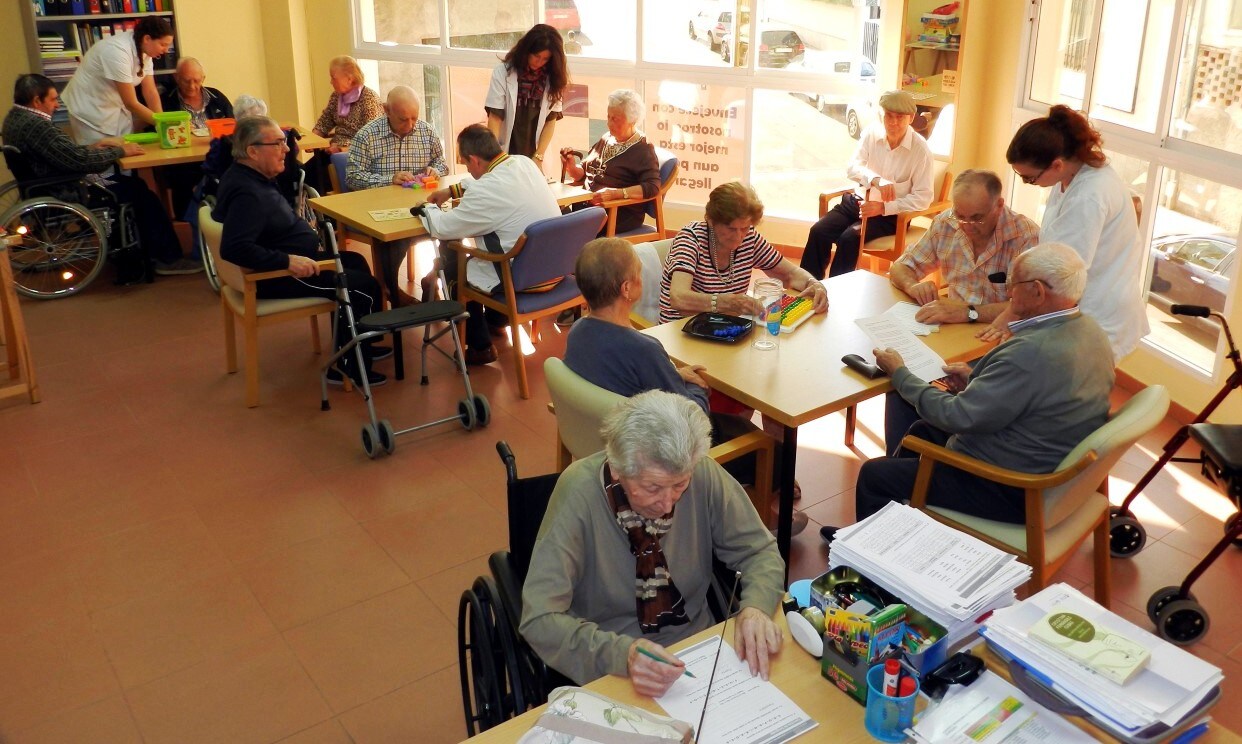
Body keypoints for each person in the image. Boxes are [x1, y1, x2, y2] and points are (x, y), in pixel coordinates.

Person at [831, 243, 1114, 541]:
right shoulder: (1090, 331)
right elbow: (1035, 393)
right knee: (920, 433)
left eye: (1014, 285)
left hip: (1010, 486)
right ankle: (898, 534)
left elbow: (956, 416)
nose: (1008, 293)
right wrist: (977, 380)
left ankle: (871, 562)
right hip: (1045, 463)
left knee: (876, 477)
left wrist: (900, 373)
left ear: (1038, 291)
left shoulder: (1030, 352)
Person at [519, 390, 785, 696]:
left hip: (699, 649)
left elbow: (759, 550)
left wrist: (755, 608)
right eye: (653, 487)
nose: (669, 504)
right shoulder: (578, 495)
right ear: (617, 469)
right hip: (610, 663)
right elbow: (539, 618)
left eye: (679, 485)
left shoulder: (701, 472)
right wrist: (622, 656)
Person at [565, 238, 805, 534]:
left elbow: (629, 372)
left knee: (735, 424)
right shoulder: (644, 348)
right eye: (639, 273)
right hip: (661, 450)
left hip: (610, 434)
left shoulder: (578, 332)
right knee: (773, 451)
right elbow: (695, 420)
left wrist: (674, 374)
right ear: (627, 289)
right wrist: (698, 387)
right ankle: (755, 524)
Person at [870, 169, 1041, 472]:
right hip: (948, 334)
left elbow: (1024, 307)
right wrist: (914, 285)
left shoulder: (1026, 236)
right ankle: (901, 468)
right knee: (903, 379)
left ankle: (941, 467)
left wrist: (967, 311)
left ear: (999, 206)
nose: (967, 227)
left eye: (976, 218)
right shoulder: (947, 224)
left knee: (945, 388)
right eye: (960, 215)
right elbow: (901, 268)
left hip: (999, 342)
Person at [212, 116, 388, 387]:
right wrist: (287, 260)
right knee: (361, 287)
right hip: (279, 274)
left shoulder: (248, 176)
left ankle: (359, 342)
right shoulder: (247, 193)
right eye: (278, 143)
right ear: (252, 151)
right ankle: (346, 367)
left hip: (288, 263)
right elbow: (234, 247)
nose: (286, 149)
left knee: (355, 261)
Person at [993, 104, 1149, 361]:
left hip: (1101, 312)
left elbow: (1062, 271)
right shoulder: (1069, 176)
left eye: (1029, 178)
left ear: (1056, 164)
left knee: (1074, 390)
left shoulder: (1089, 195)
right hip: (1085, 306)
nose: (1029, 183)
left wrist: (1012, 313)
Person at [2, 73, 195, 279]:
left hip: (47, 182)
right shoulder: (37, 126)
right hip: (66, 188)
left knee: (133, 185)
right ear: (36, 101)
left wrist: (94, 147)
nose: (57, 105)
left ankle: (149, 249)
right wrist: (120, 152)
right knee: (140, 193)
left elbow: (62, 154)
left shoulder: (15, 118)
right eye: (52, 100)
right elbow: (79, 161)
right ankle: (168, 258)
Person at [414, 124, 560, 365]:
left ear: (474, 160)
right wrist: (453, 189)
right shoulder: (525, 163)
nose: (468, 171)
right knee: (483, 257)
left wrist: (424, 207)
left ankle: (479, 345)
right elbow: (487, 178)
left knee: (452, 255)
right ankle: (496, 320)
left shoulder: (485, 191)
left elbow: (442, 227)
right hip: (554, 269)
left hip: (519, 280)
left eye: (466, 164)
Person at [799, 90, 934, 279]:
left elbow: (924, 198)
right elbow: (853, 167)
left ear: (911, 118)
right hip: (856, 203)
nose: (893, 122)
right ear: (882, 114)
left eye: (900, 117)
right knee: (819, 231)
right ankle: (807, 287)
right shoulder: (872, 133)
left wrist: (883, 207)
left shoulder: (921, 151)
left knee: (849, 238)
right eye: (889, 116)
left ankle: (836, 296)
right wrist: (875, 180)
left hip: (889, 216)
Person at [659, 181, 828, 324]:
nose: (739, 236)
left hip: (725, 328)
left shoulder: (750, 238)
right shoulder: (691, 239)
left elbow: (791, 274)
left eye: (745, 228)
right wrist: (725, 303)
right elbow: (678, 298)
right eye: (731, 228)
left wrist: (813, 284)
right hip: (682, 330)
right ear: (711, 221)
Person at [346, 85, 449, 306]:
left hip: (420, 205)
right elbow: (353, 177)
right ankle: (391, 290)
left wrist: (436, 170)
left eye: (414, 118)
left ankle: (432, 278)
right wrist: (388, 179)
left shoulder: (426, 131)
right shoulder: (367, 135)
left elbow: (441, 163)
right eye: (403, 119)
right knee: (394, 240)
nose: (410, 125)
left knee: (454, 231)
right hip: (380, 210)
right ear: (386, 110)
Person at [559, 89, 661, 235]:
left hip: (617, 214)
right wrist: (571, 166)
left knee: (559, 230)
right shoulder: (607, 138)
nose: (608, 123)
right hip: (587, 209)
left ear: (632, 120)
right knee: (548, 215)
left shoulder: (643, 150)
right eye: (608, 117)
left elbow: (652, 187)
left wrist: (616, 194)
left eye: (615, 119)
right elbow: (583, 174)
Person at [61, 16, 174, 145]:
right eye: (163, 44)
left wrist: (162, 123)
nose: (165, 50)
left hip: (114, 108)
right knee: (101, 159)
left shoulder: (145, 50)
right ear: (147, 39)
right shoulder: (117, 51)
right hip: (90, 112)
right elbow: (130, 103)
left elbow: (150, 91)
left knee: (126, 155)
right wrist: (163, 123)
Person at [485, 24, 568, 167]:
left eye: (545, 59)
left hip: (533, 154)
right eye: (536, 56)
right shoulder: (503, 73)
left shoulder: (553, 79)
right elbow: (495, 117)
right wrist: (495, 155)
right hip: (505, 151)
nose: (540, 62)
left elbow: (550, 121)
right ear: (526, 51)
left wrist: (539, 155)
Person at [308, 55, 382, 191]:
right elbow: (325, 121)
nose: (331, 82)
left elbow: (372, 138)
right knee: (302, 174)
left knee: (315, 179)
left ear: (349, 78)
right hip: (332, 150)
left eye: (333, 77)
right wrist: (312, 139)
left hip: (355, 156)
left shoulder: (368, 99)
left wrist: (342, 148)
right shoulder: (337, 96)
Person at [158, 57, 233, 130]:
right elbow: (156, 128)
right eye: (186, 81)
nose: (192, 86)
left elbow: (234, 123)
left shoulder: (216, 96)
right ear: (177, 78)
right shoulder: (165, 101)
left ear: (203, 79)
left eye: (196, 81)